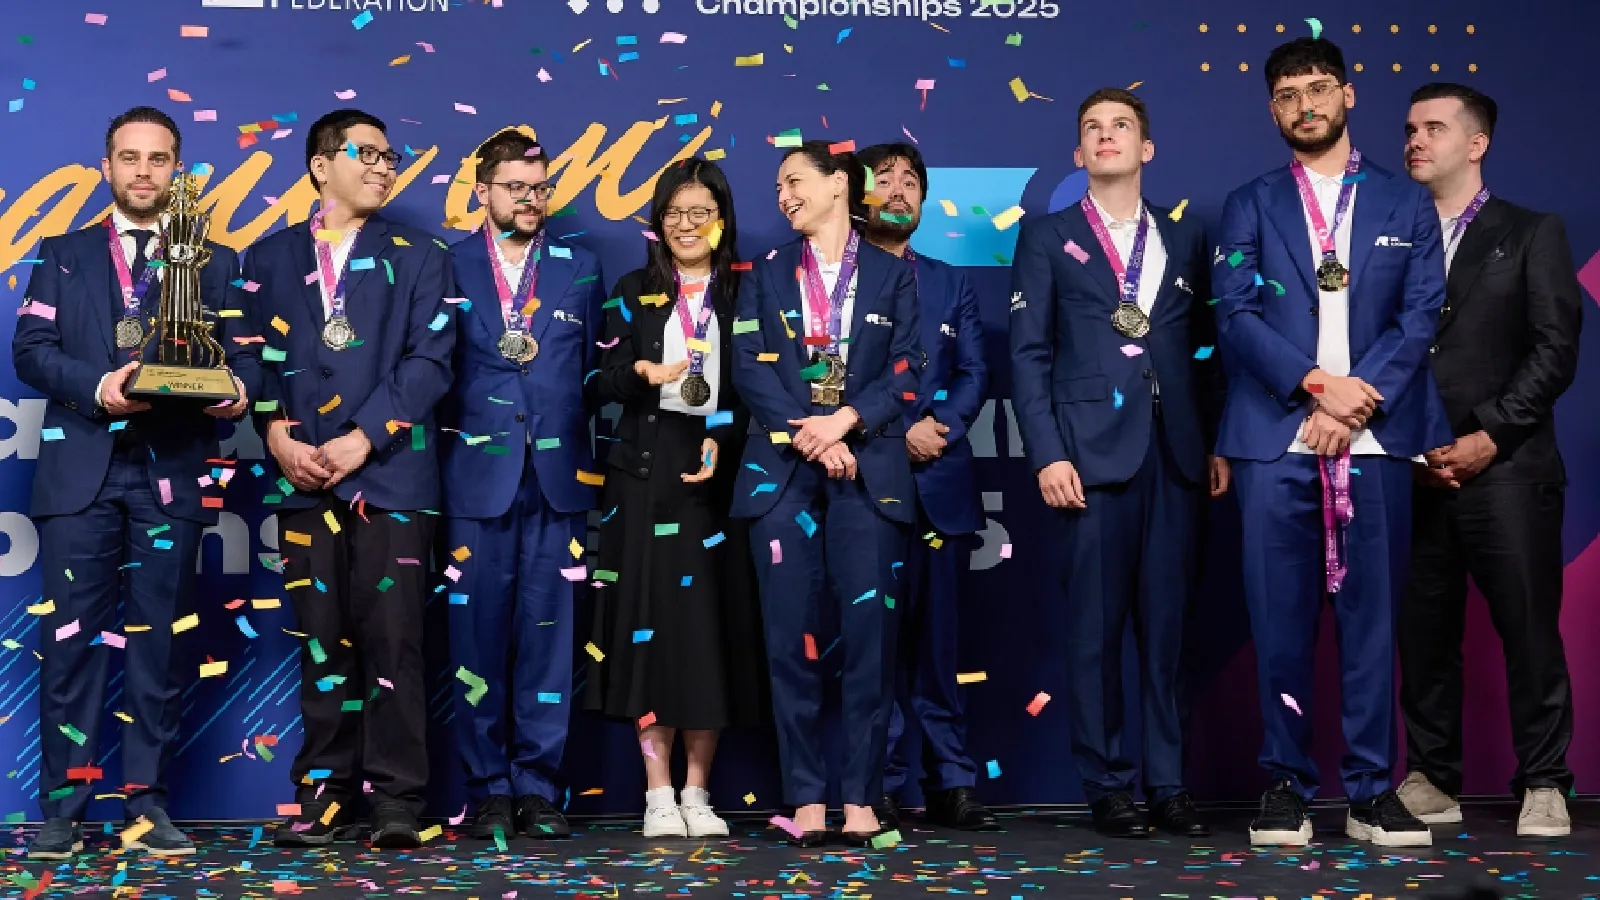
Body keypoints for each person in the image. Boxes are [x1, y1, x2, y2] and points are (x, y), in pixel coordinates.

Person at [1212, 39, 1453, 848]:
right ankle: (1285, 785)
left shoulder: (1405, 201)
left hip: (1375, 438)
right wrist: (1317, 386)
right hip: (1275, 437)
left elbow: (1420, 315)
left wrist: (1352, 405)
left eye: (1318, 89)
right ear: (1273, 110)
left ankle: (1371, 790)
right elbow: (1234, 315)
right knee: (1278, 622)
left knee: (1371, 624)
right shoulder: (1248, 202)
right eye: (1288, 95)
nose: (1304, 105)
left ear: (1348, 95)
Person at [14, 106, 258, 859]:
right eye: (130, 157)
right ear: (107, 168)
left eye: (158, 159)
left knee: (161, 649)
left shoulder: (217, 261)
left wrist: (236, 392)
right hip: (80, 472)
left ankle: (147, 807)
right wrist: (99, 387)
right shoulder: (61, 254)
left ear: (177, 171)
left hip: (171, 469)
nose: (144, 171)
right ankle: (64, 811)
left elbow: (248, 360)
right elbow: (31, 349)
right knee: (71, 648)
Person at [1010, 89, 1224, 839]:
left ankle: (1169, 784)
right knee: (1095, 634)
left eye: (1122, 126)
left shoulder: (1187, 234)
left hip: (1176, 454)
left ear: (1146, 148)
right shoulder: (1047, 235)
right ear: (1078, 154)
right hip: (1088, 456)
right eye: (1093, 129)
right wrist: (1047, 453)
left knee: (1168, 634)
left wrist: (1214, 442)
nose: (1107, 137)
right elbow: (1028, 354)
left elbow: (1207, 350)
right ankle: (1107, 785)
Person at [251, 109, 455, 849]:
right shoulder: (267, 258)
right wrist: (274, 432)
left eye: (390, 156)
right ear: (320, 165)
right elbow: (246, 358)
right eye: (367, 153)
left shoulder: (423, 254)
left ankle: (398, 797)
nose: (383, 166)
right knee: (320, 643)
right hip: (302, 478)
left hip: (391, 478)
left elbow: (431, 361)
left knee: (396, 642)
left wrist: (363, 438)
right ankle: (324, 794)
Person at [1398, 83, 1580, 837]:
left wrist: (1489, 436)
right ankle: (1432, 778)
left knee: (1529, 630)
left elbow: (1555, 349)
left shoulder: (1532, 232)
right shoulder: (1390, 237)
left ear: (1476, 145)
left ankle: (1545, 781)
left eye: (1434, 128)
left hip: (1507, 469)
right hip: (1414, 468)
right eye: (1410, 128)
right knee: (1423, 634)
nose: (1415, 140)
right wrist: (1411, 442)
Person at [730, 140, 921, 846]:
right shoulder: (766, 272)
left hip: (868, 472)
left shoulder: (891, 273)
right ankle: (807, 797)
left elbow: (910, 367)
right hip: (781, 475)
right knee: (790, 642)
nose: (784, 196)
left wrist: (844, 421)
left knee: (871, 643)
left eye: (795, 181)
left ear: (839, 183)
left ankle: (864, 797)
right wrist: (808, 433)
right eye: (778, 187)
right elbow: (748, 365)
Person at [585, 157, 766, 839]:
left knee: (705, 634)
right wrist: (637, 371)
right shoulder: (632, 290)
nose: (686, 225)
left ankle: (698, 791)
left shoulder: (747, 292)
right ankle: (657, 792)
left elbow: (759, 386)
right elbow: (599, 379)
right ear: (658, 223)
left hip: (716, 479)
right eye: (673, 213)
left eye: (700, 213)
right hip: (643, 478)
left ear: (722, 220)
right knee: (647, 631)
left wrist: (721, 438)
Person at [439, 129, 605, 841]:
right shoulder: (447, 265)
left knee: (550, 643)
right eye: (516, 188)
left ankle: (539, 786)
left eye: (540, 189)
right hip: (475, 481)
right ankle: (487, 789)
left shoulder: (581, 266)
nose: (531, 199)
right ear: (483, 192)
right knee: (474, 642)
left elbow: (596, 378)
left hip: (560, 484)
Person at [856, 142, 996, 833]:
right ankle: (875, 783)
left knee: (941, 649)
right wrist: (896, 431)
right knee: (871, 644)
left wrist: (940, 427)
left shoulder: (949, 281)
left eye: (911, 181)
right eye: (884, 179)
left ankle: (952, 780)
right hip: (864, 483)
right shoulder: (836, 280)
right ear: (855, 194)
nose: (899, 191)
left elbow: (973, 371)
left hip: (939, 479)